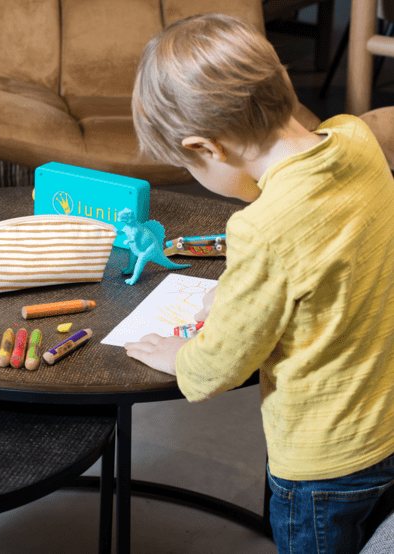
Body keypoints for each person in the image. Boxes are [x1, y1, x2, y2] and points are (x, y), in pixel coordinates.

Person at [124, 13, 394, 554]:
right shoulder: (358, 140)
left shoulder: (260, 228)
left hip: (322, 461)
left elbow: (218, 368)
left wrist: (181, 355)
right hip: (386, 426)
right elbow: (327, 263)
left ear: (207, 148)